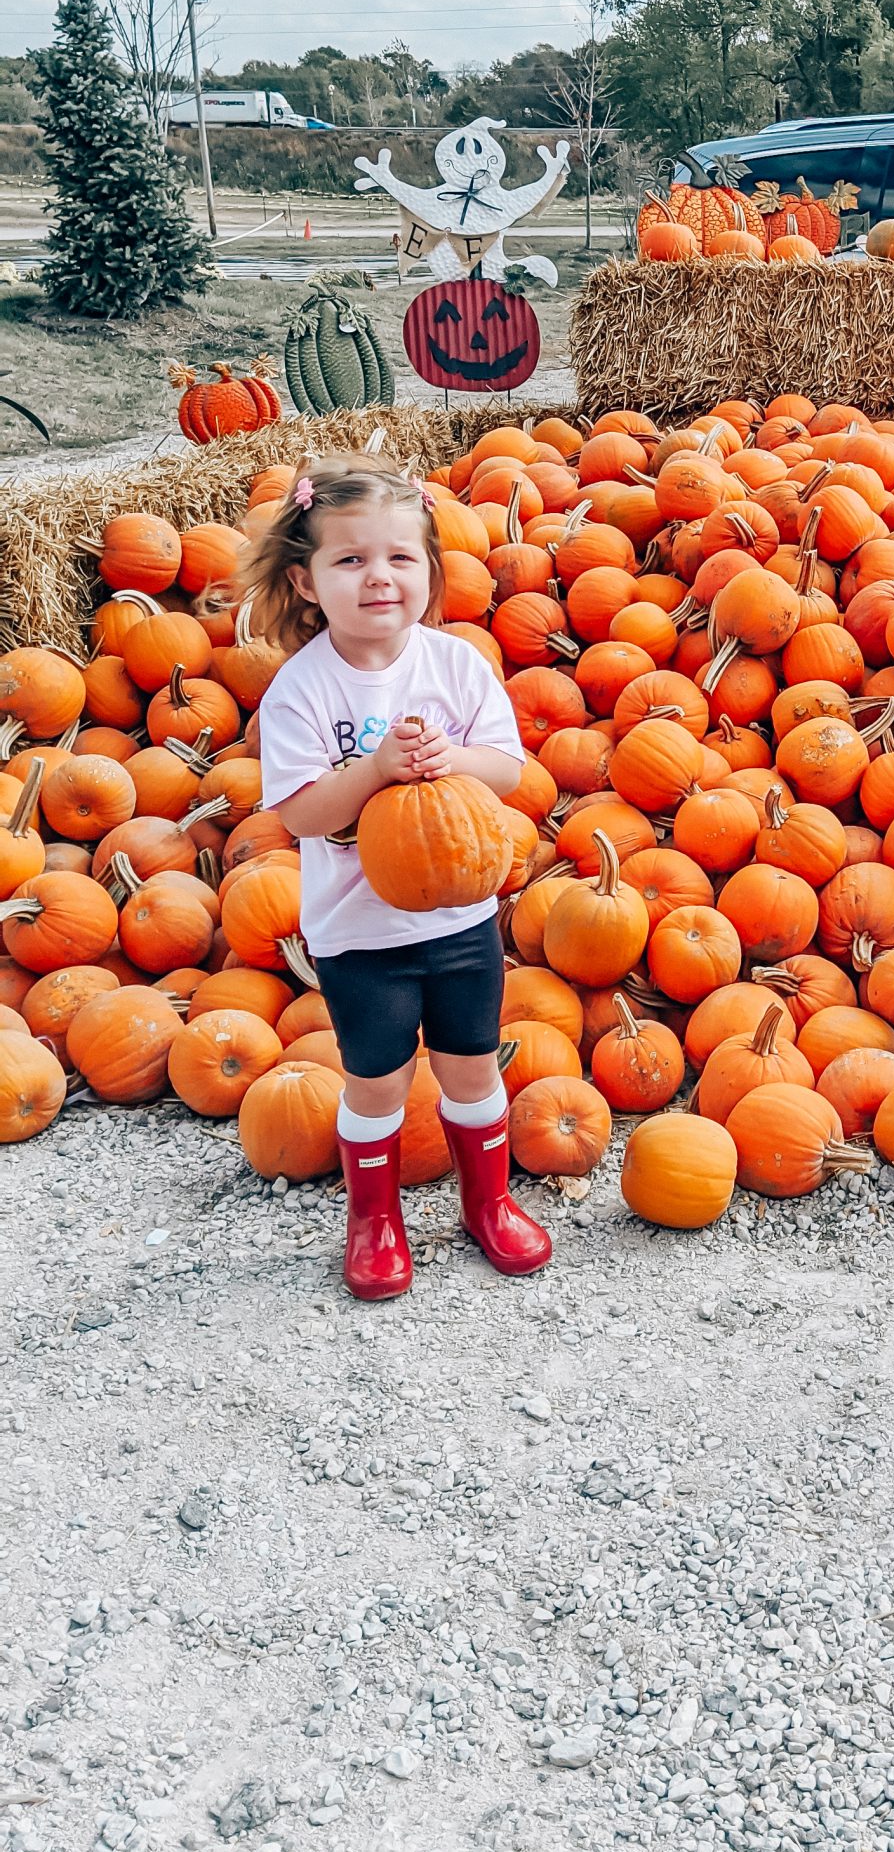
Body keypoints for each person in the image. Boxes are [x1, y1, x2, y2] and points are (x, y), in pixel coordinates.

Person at [244, 454, 550, 1302]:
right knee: (376, 1083)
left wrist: (452, 758)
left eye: (400, 558)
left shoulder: (457, 667)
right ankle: (374, 1220)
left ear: (430, 570)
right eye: (351, 561)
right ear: (306, 582)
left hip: (459, 923)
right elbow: (302, 815)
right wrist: (377, 767)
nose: (379, 577)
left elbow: (508, 771)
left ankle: (487, 1203)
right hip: (361, 936)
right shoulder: (301, 690)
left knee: (471, 1069)